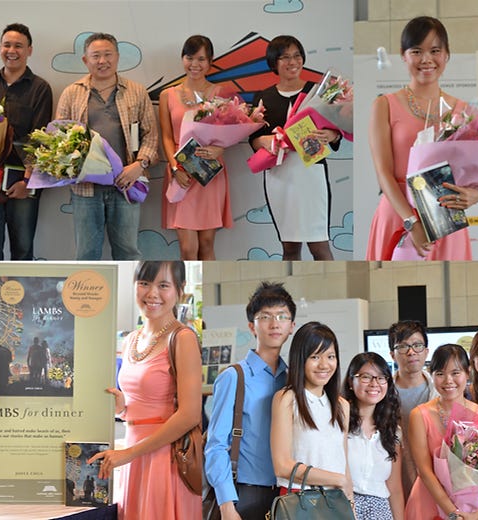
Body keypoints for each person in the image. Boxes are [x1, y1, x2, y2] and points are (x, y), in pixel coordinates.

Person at [88, 261, 202, 518]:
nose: (152, 293)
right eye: (144, 283)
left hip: (164, 459)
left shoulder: (183, 338)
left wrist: (129, 454)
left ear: (179, 290)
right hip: (132, 454)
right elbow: (142, 405)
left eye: (163, 285)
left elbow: (190, 415)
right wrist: (122, 408)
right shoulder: (130, 340)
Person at [366, 16, 478, 261]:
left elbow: (472, 173)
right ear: (403, 55)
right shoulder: (384, 105)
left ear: (447, 55)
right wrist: (412, 222)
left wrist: (475, 195)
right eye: (417, 51)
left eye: (435, 50)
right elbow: (383, 173)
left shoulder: (464, 111)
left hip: (446, 217)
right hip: (399, 214)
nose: (426, 59)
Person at [56, 32, 159, 260]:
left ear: (118, 57)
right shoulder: (71, 93)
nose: (102, 61)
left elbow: (151, 135)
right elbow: (59, 142)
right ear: (85, 60)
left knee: (128, 253)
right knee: (86, 254)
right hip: (85, 189)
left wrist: (139, 165)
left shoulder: (136, 91)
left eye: (107, 55)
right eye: (96, 56)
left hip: (125, 185)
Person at [205, 282, 296, 520]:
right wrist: (226, 505)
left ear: (292, 326)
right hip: (243, 495)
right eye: (265, 316)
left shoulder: (293, 380)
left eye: (281, 316)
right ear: (252, 326)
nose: (274, 323)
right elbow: (215, 446)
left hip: (287, 495)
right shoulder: (234, 377)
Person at [248, 35, 340, 261]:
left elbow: (337, 132)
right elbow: (253, 138)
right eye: (285, 57)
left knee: (319, 246)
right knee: (289, 248)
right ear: (274, 63)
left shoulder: (319, 92)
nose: (292, 62)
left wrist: (331, 135)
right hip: (279, 176)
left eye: (297, 55)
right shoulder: (263, 97)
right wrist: (265, 142)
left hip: (312, 174)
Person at [0, 23, 52, 260]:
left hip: (22, 181)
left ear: (29, 50)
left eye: (18, 45)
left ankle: (21, 297)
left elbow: (40, 140)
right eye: (7, 44)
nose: (12, 50)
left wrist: (28, 181)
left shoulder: (40, 88)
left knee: (23, 247)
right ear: (0, 48)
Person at [159, 35, 235, 260]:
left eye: (201, 59)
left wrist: (220, 150)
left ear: (210, 61)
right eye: (189, 57)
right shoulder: (167, 95)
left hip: (209, 172)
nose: (195, 64)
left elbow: (229, 132)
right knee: (187, 248)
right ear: (182, 59)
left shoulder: (221, 94)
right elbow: (165, 136)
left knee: (207, 243)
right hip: (181, 172)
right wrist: (175, 168)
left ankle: (206, 288)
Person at [405, 344, 478, 520]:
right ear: (432, 375)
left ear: (467, 373)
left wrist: (469, 510)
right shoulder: (419, 415)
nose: (448, 380)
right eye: (440, 374)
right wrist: (453, 512)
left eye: (455, 373)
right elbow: (424, 470)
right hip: (428, 502)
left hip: (469, 508)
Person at [269, 322, 352, 498]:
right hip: (300, 500)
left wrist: (350, 503)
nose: (324, 365)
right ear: (300, 359)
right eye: (315, 357)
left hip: (336, 501)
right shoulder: (286, 399)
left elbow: (344, 465)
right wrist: (338, 480)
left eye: (330, 356)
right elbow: (282, 466)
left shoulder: (342, 406)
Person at [342, 352, 405, 519]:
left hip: (380, 511)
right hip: (342, 508)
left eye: (381, 377)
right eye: (366, 377)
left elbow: (395, 488)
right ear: (350, 382)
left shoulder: (392, 431)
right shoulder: (338, 424)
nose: (374, 383)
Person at [388, 320, 438, 501]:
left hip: (436, 485)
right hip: (394, 485)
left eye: (417, 345)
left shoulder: (440, 393)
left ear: (426, 351)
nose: (411, 352)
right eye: (403, 347)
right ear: (392, 354)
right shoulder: (381, 396)